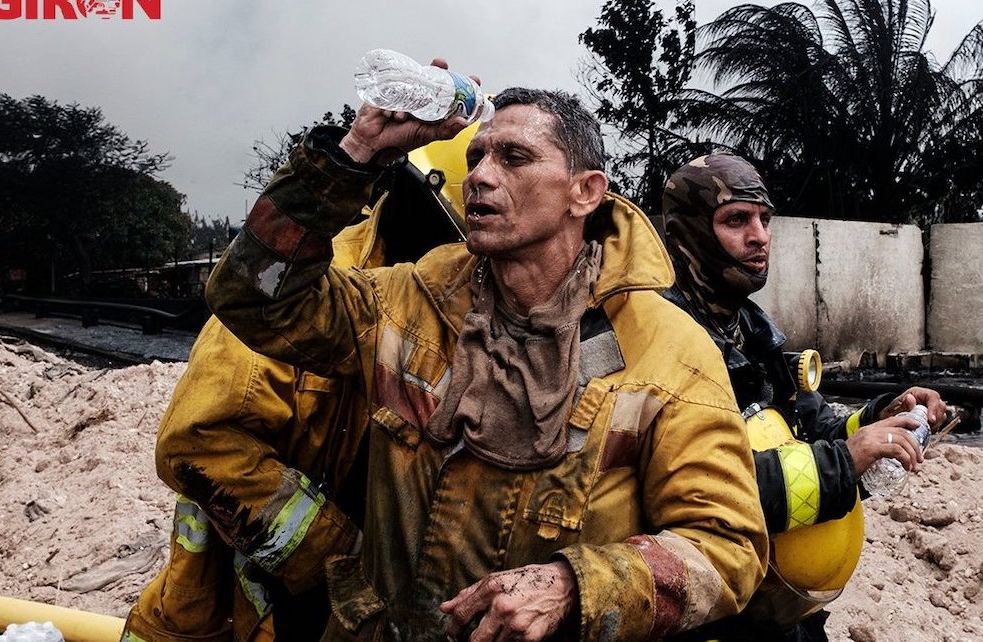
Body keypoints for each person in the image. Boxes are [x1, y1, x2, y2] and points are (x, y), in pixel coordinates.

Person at [204, 82, 769, 642]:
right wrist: (355, 152)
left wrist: (576, 586)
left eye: (514, 157)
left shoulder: (671, 351)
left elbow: (727, 548)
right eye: (476, 157)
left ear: (586, 192)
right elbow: (252, 297)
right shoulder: (411, 300)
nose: (479, 174)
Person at [121, 136, 472, 642]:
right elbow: (195, 443)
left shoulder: (462, 315)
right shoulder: (304, 292)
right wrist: (346, 556)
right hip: (258, 611)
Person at [661, 153, 947, 642]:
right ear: (687, 232)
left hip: (780, 610)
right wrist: (846, 461)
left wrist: (883, 418)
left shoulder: (755, 335)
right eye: (736, 220)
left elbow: (817, 433)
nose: (760, 236)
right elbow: (705, 492)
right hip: (709, 615)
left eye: (765, 219)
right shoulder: (660, 343)